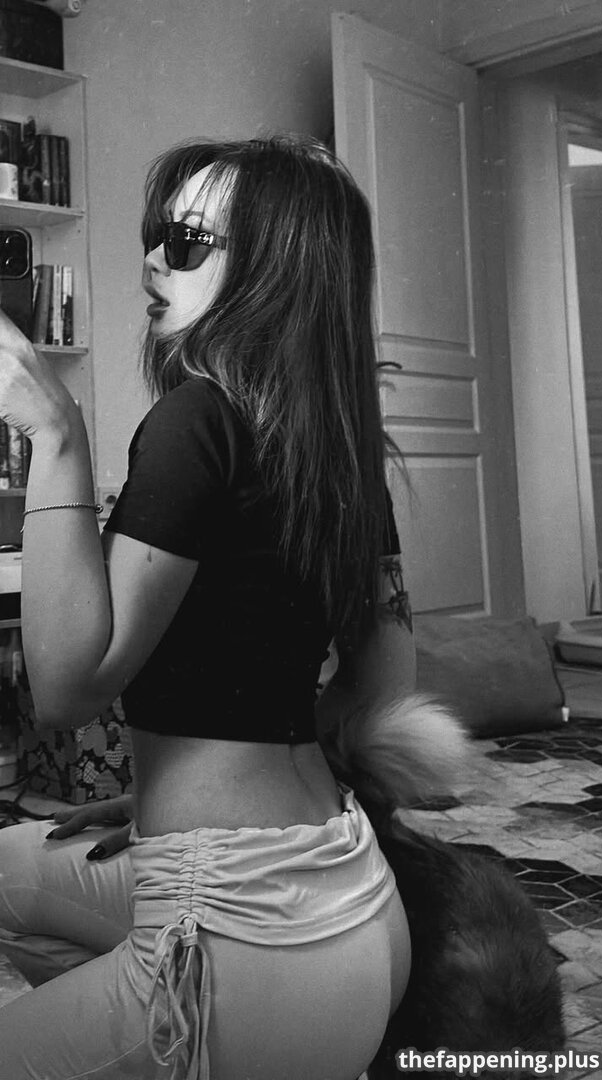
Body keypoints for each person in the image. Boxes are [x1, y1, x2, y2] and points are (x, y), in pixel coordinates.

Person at [0, 135, 415, 1080]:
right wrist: (178, 790)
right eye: (158, 236)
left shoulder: (197, 417)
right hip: (359, 905)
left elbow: (63, 689)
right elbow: (383, 687)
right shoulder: (342, 445)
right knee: (16, 866)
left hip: (241, 933)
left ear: (271, 269)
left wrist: (55, 433)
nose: (153, 259)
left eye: (187, 242)